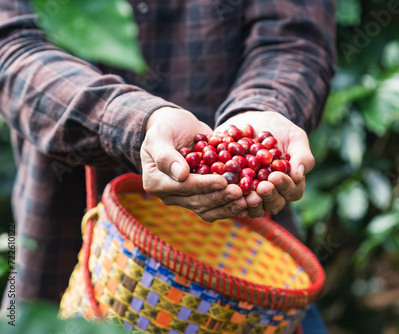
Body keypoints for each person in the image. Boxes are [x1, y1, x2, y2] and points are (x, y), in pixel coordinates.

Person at [0, 0, 335, 331]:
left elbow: (294, 40)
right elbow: (11, 48)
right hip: (64, 239)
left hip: (245, 269)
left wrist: (262, 107)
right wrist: (134, 120)